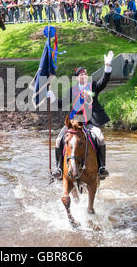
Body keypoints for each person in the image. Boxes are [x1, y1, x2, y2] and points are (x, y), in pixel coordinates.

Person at [47, 51, 115, 180]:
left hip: (90, 122)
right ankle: (59, 169)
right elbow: (63, 104)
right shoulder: (72, 90)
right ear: (77, 78)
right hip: (75, 122)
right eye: (81, 74)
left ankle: (101, 168)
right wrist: (53, 98)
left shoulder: (93, 86)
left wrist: (107, 67)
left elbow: (104, 82)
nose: (83, 75)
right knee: (58, 140)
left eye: (85, 73)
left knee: (100, 138)